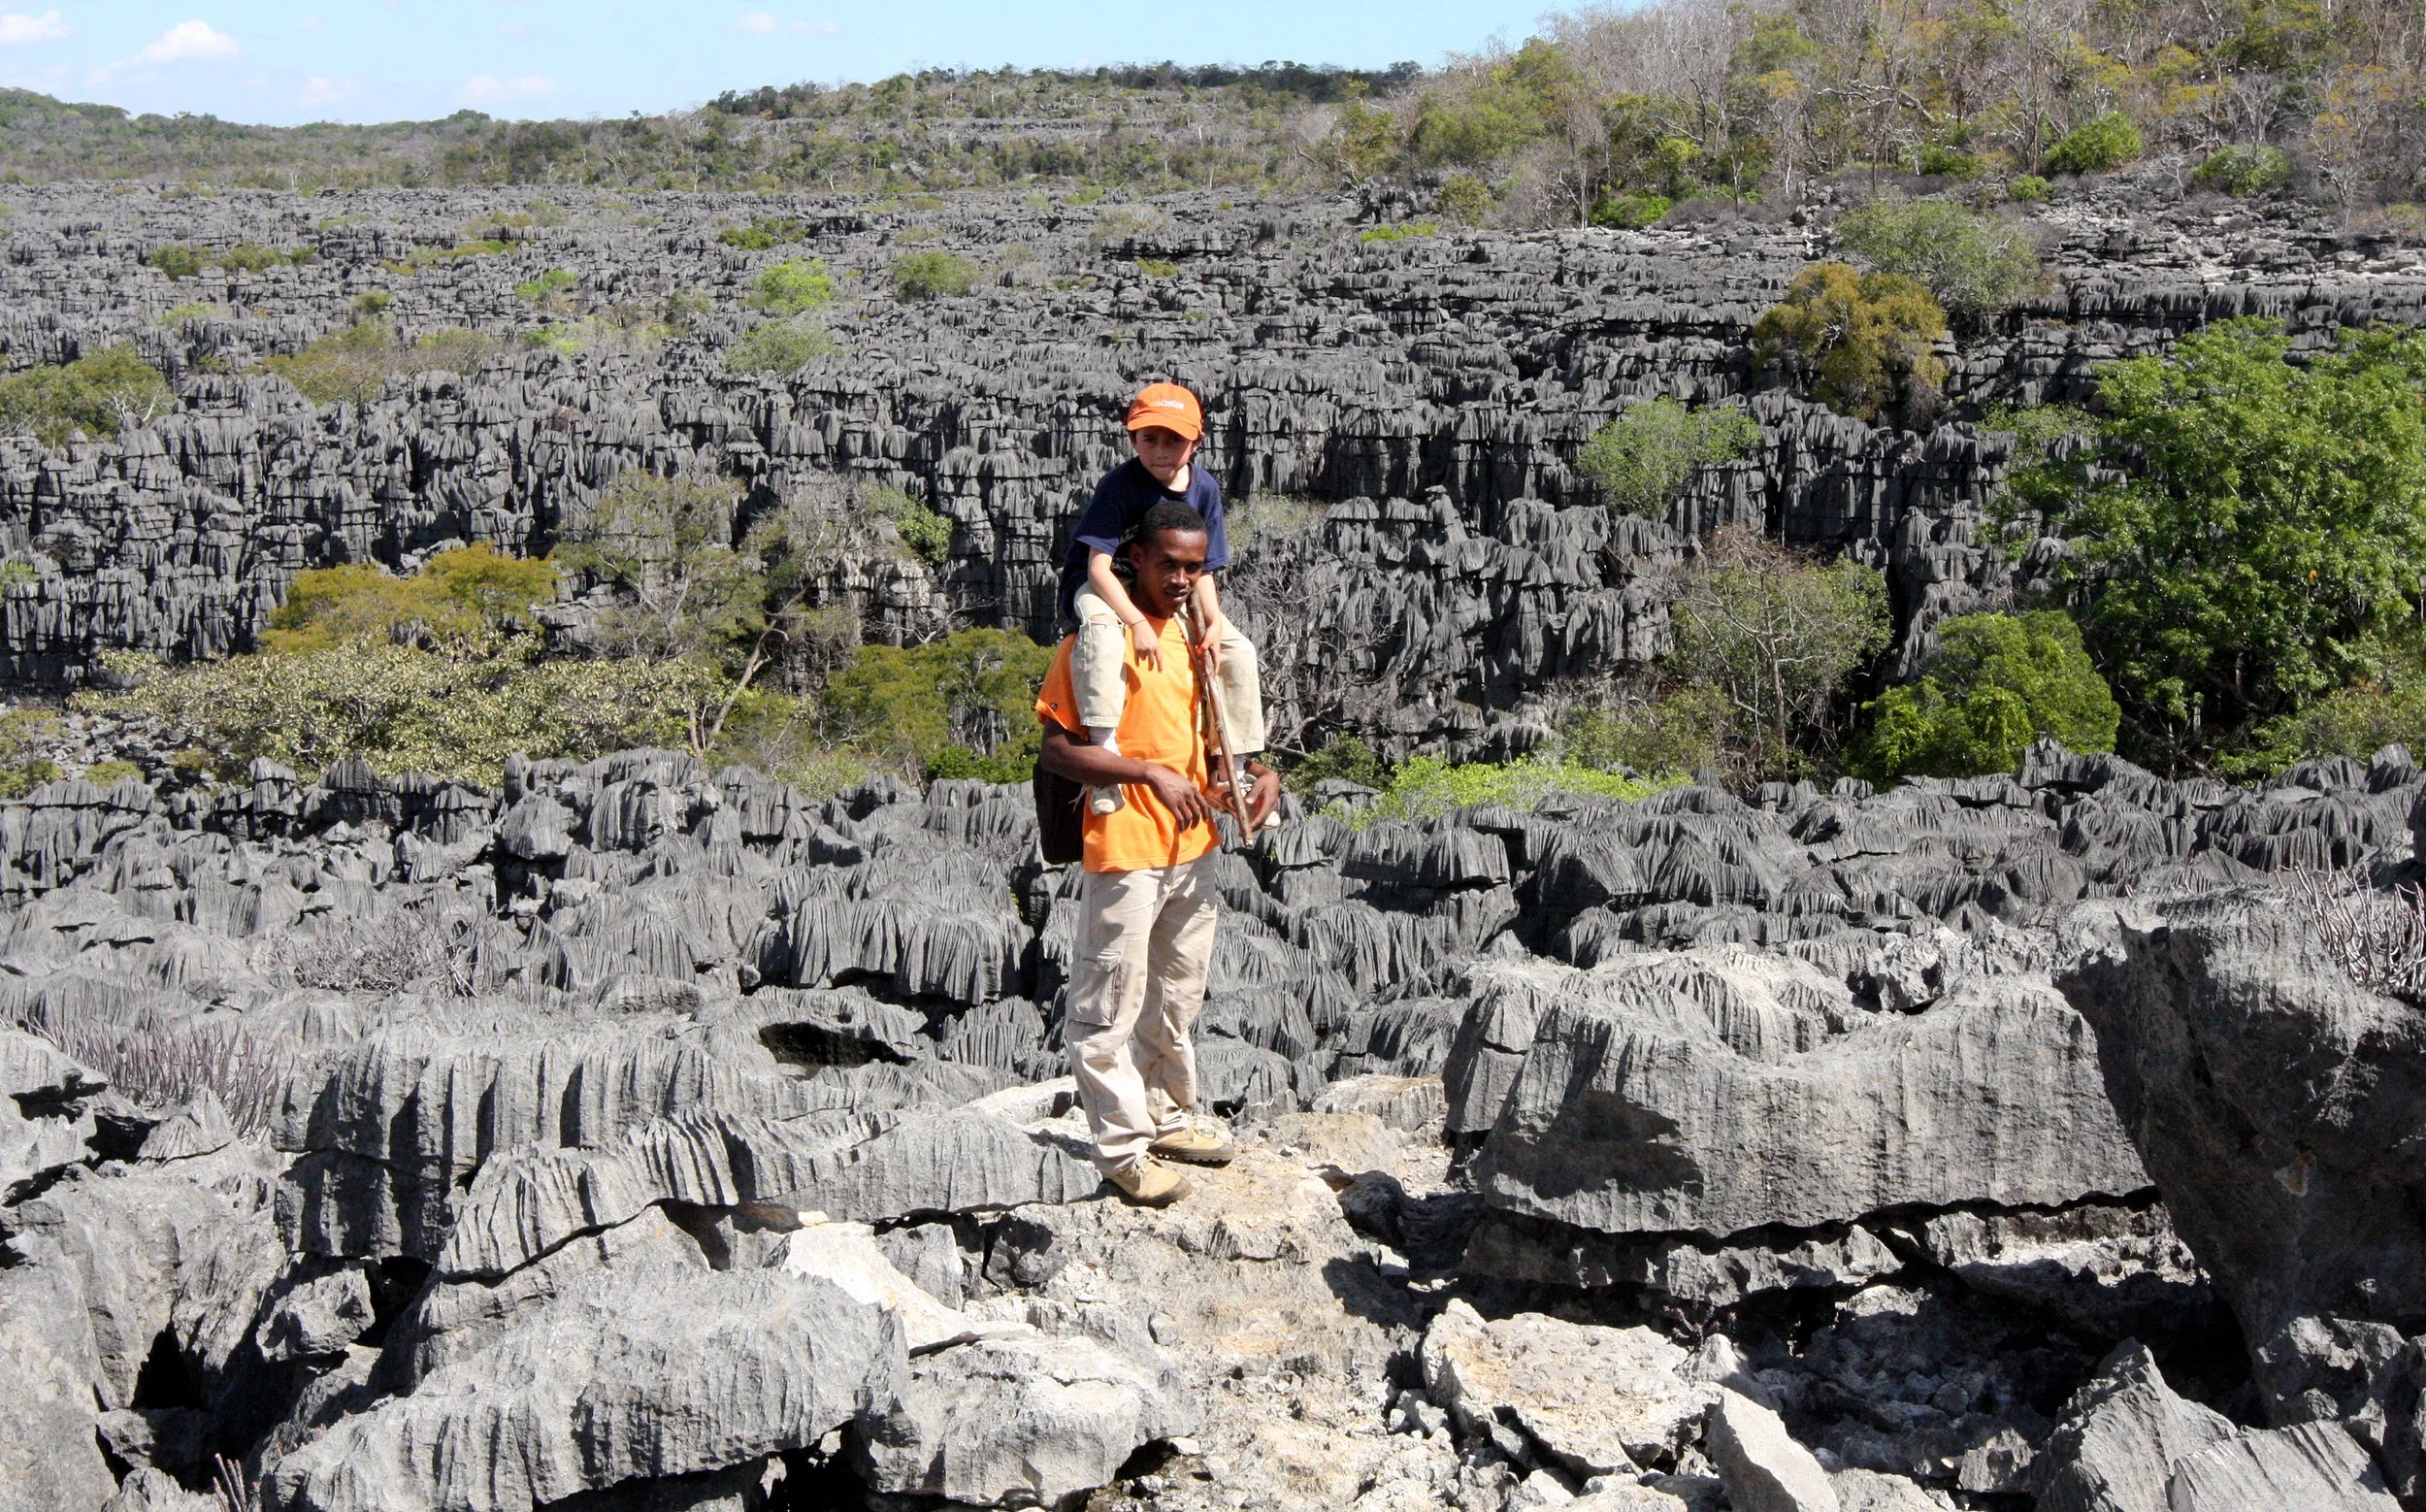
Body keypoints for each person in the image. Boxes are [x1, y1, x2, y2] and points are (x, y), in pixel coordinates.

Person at [1036, 498, 1281, 1206]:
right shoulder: (1097, 641)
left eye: (1193, 568)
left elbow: (1209, 752)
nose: (1180, 579)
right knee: (1107, 1004)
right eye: (1168, 564)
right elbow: (1057, 751)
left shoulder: (1196, 642)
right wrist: (1146, 773)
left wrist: (1256, 778)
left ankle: (1169, 1118)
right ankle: (1121, 1151)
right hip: (1126, 847)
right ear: (1134, 558)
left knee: (1176, 995)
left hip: (1194, 846)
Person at [1058, 381, 1264, 818]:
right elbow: (1097, 567)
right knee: (1102, 634)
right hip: (1104, 584)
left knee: (1237, 651)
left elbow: (1203, 569)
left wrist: (1211, 622)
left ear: (1196, 442)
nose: (1160, 450)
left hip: (1167, 588)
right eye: (1148, 438)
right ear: (1132, 438)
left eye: (1174, 439)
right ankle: (1105, 759)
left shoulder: (1204, 489)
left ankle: (1234, 768)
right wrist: (1135, 623)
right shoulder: (1120, 484)